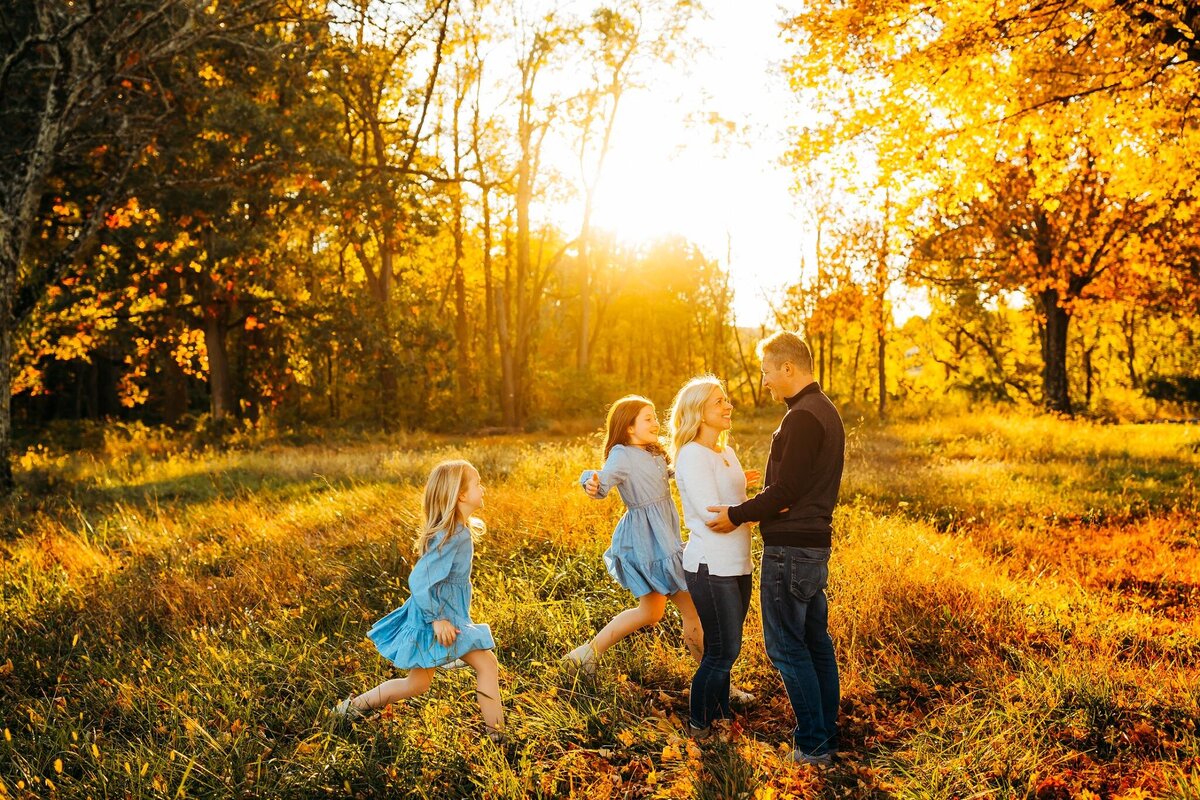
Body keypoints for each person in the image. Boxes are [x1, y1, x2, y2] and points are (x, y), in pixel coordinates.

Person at [706, 332, 845, 766]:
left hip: (791, 549)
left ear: (788, 368)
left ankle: (813, 745)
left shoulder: (803, 417)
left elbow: (785, 492)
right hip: (811, 548)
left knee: (786, 647)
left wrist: (736, 513)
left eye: (767, 371)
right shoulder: (824, 411)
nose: (764, 381)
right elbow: (792, 485)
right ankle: (825, 732)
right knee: (814, 642)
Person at [333, 460, 503, 739]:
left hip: (440, 615)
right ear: (460, 495)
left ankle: (350, 709)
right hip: (435, 617)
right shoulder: (453, 535)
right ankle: (497, 736)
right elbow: (419, 580)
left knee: (416, 684)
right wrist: (437, 619)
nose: (483, 488)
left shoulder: (457, 530)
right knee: (487, 664)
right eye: (478, 484)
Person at [563, 395, 703, 672]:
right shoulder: (622, 454)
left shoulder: (653, 452)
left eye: (655, 417)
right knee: (692, 611)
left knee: (650, 612)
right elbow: (601, 479)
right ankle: (716, 680)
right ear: (629, 427)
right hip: (649, 542)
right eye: (648, 418)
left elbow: (678, 473)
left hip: (663, 535)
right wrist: (591, 484)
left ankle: (585, 655)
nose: (655, 423)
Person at [669, 376, 760, 739]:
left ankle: (721, 714)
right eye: (718, 402)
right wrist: (761, 511)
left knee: (729, 647)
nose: (728, 406)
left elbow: (729, 504)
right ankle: (699, 724)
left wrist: (743, 498)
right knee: (722, 649)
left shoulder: (726, 451)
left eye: (727, 400)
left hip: (739, 562)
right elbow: (712, 515)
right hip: (710, 564)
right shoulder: (691, 454)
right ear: (698, 413)